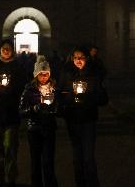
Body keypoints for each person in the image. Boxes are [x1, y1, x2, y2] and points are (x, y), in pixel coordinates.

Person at [57, 45, 102, 187]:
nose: (78, 60)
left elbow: (102, 97)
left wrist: (89, 96)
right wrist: (70, 97)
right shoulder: (67, 73)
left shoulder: (93, 74)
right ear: (72, 59)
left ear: (87, 58)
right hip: (73, 118)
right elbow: (60, 93)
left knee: (88, 157)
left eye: (81, 57)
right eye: (75, 58)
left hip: (89, 118)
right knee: (77, 156)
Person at [0, 39, 27, 187]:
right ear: (0, 49)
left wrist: (12, 89)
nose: (6, 50)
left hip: (11, 112)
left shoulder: (18, 66)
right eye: (3, 48)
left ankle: (11, 177)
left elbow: (23, 85)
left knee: (10, 147)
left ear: (12, 50)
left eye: (8, 48)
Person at [19, 55, 58, 187]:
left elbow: (60, 107)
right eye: (41, 74)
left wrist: (54, 108)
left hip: (49, 128)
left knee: (48, 160)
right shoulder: (29, 89)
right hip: (34, 128)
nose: (44, 76)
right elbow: (21, 110)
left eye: (46, 73)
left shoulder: (54, 88)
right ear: (36, 74)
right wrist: (34, 108)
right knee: (35, 161)